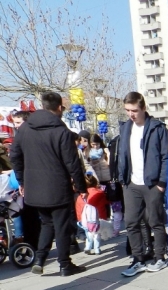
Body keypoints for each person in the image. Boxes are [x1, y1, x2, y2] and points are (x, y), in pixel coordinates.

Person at [10, 92, 87, 276]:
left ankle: (39, 259)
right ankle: (64, 264)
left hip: (34, 187)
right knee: (61, 226)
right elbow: (72, 163)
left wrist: (21, 180)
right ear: (59, 107)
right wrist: (81, 187)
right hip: (57, 186)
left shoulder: (25, 129)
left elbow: (15, 156)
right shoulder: (61, 131)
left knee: (46, 223)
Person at [117, 91, 168, 277]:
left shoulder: (157, 128)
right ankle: (138, 259)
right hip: (131, 183)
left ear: (143, 108)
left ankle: (159, 257)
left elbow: (165, 157)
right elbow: (121, 154)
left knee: (155, 221)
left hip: (152, 183)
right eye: (127, 110)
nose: (131, 114)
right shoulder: (125, 128)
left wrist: (162, 182)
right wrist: (122, 178)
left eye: (134, 110)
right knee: (131, 222)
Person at [76, 173, 109, 255]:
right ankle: (97, 249)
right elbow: (107, 202)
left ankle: (88, 247)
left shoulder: (80, 196)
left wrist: (80, 219)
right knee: (97, 234)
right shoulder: (100, 193)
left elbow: (78, 209)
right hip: (98, 219)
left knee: (89, 233)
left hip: (85, 220)